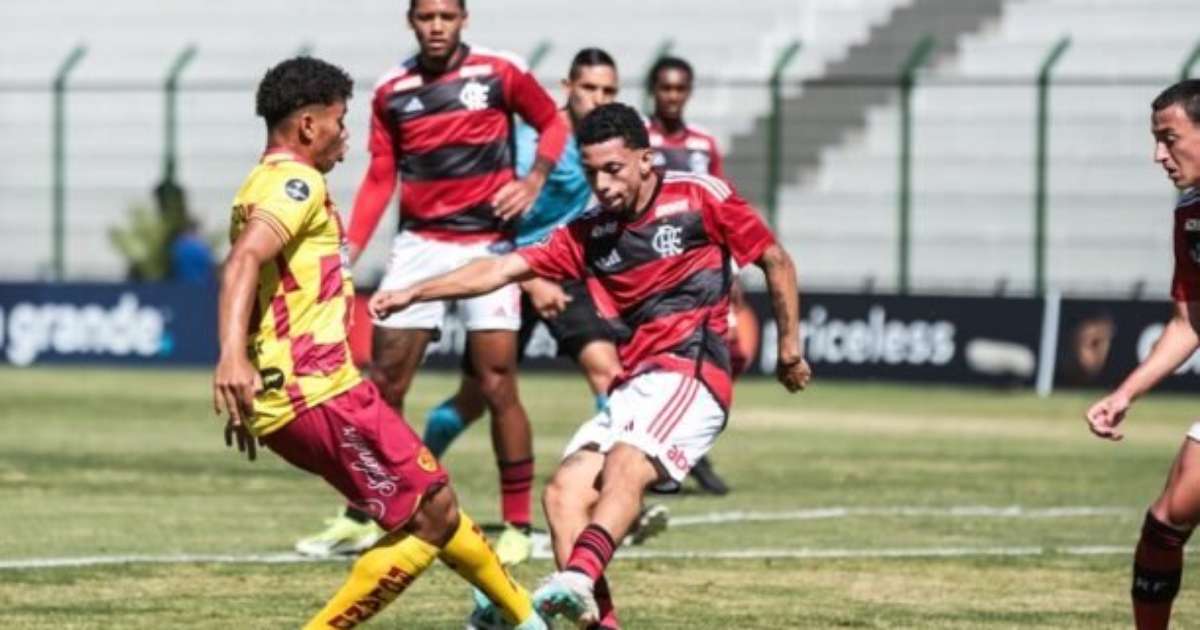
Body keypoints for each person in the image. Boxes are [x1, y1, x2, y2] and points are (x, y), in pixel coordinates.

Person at [368, 103, 811, 628]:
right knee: (563, 494)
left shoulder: (698, 195)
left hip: (693, 371)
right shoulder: (589, 230)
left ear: (646, 159)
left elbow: (775, 259)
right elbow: (501, 268)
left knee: (626, 463)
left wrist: (789, 349)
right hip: (636, 382)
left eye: (613, 169)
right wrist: (416, 290)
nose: (601, 184)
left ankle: (575, 579)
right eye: (593, 171)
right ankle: (599, 616)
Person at [212, 56, 545, 629]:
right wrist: (232, 359)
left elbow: (256, 284)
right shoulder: (298, 183)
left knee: (433, 502)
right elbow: (244, 262)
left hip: (297, 393)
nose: (348, 135)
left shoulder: (256, 186)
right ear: (309, 126)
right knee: (432, 515)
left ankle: (525, 619)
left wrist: (248, 369)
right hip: (318, 393)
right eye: (341, 121)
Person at [295, 0, 569, 563]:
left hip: (487, 246)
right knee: (384, 386)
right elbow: (379, 175)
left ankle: (517, 525)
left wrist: (534, 180)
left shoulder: (499, 71)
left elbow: (553, 121)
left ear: (464, 18)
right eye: (426, 17)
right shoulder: (394, 89)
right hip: (418, 246)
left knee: (497, 384)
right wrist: (348, 252)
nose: (437, 26)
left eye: (447, 16)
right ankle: (369, 514)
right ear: (411, 22)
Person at [1085, 78, 1200, 630]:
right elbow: (1190, 321)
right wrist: (1125, 393)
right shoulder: (1191, 214)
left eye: (1169, 138)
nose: (1158, 155)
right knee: (1164, 525)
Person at [645, 54, 742, 495]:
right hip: (651, 266)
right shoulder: (638, 139)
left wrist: (734, 269)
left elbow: (725, 207)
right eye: (665, 88)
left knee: (713, 355)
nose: (672, 96)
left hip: (701, 270)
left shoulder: (704, 145)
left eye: (679, 89)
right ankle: (653, 452)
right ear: (653, 90)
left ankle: (688, 450)